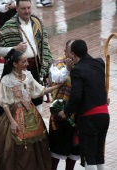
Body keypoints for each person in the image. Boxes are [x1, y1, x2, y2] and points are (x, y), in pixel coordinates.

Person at [0, 49, 62, 170]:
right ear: (15, 64)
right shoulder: (6, 80)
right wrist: (12, 122)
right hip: (14, 115)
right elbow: (4, 103)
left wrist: (57, 86)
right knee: (11, 145)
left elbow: (39, 90)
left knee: (35, 143)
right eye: (24, 62)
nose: (27, 63)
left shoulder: (28, 75)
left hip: (31, 113)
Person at [0, 0, 53, 114]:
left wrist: (47, 67)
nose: (27, 11)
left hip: (36, 66)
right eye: (23, 9)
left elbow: (45, 46)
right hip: (17, 70)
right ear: (16, 9)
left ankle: (38, 128)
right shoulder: (8, 26)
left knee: (37, 101)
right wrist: (14, 49)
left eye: (29, 8)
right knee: (17, 103)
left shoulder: (37, 22)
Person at [59, 40, 110, 170]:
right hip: (104, 114)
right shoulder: (99, 62)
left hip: (90, 118)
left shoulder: (77, 71)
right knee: (99, 153)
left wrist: (66, 112)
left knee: (89, 155)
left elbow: (76, 96)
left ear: (73, 54)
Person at [49, 40, 80, 170]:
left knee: (74, 152)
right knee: (56, 152)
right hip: (60, 115)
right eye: (70, 52)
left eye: (75, 53)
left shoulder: (83, 65)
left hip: (77, 116)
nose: (72, 56)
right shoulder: (57, 64)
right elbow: (56, 78)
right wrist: (68, 69)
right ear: (65, 51)